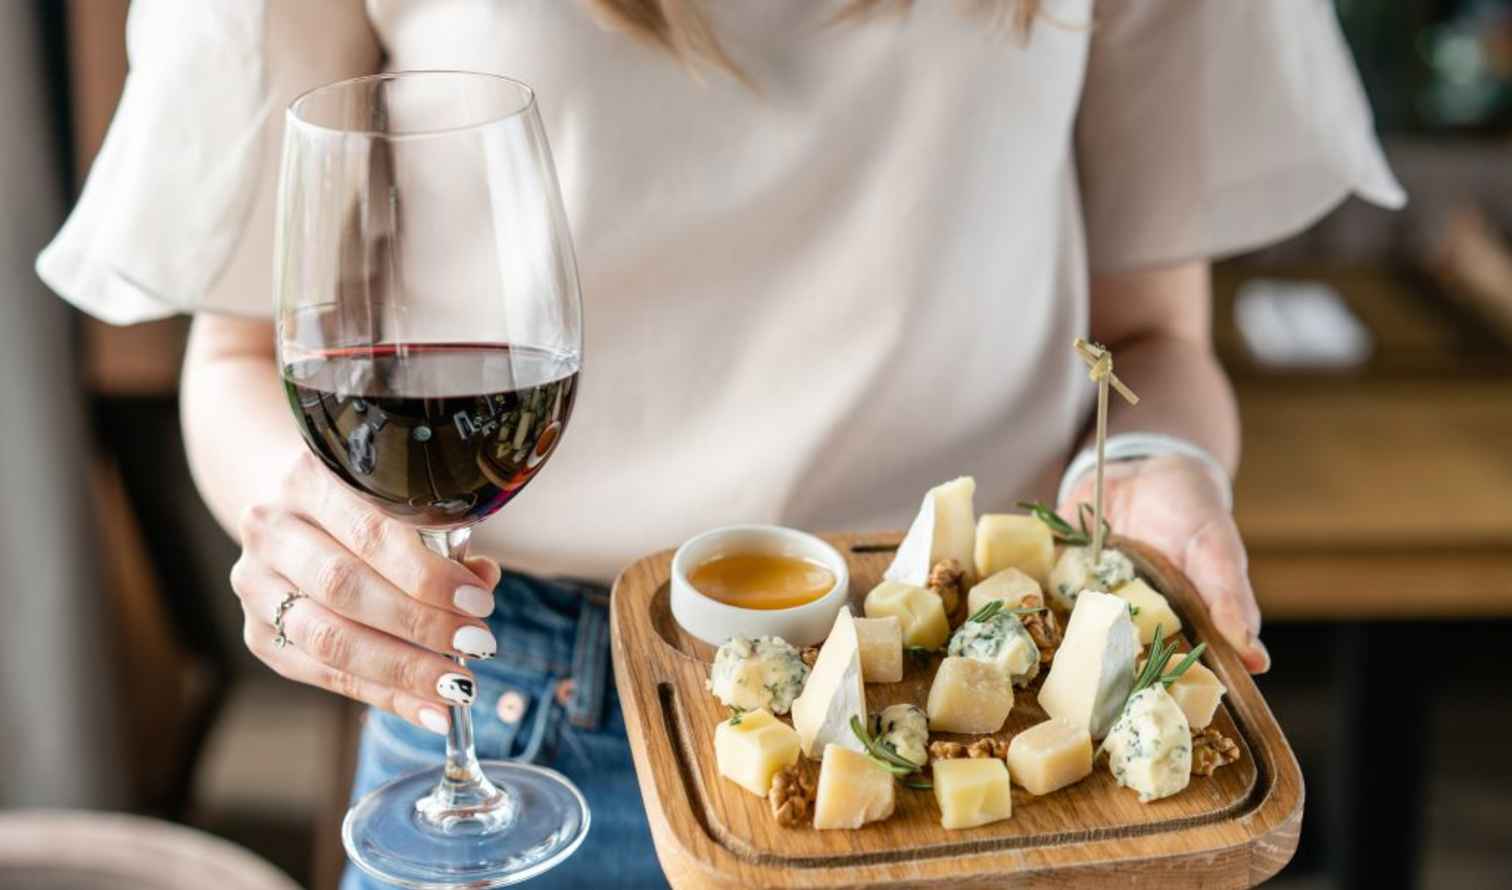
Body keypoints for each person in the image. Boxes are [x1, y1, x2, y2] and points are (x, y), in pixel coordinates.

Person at [39, 1, 1402, 886]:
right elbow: (234, 357)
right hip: (524, 733)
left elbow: (1150, 337)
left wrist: (1158, 480)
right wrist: (299, 521)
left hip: (988, 743)